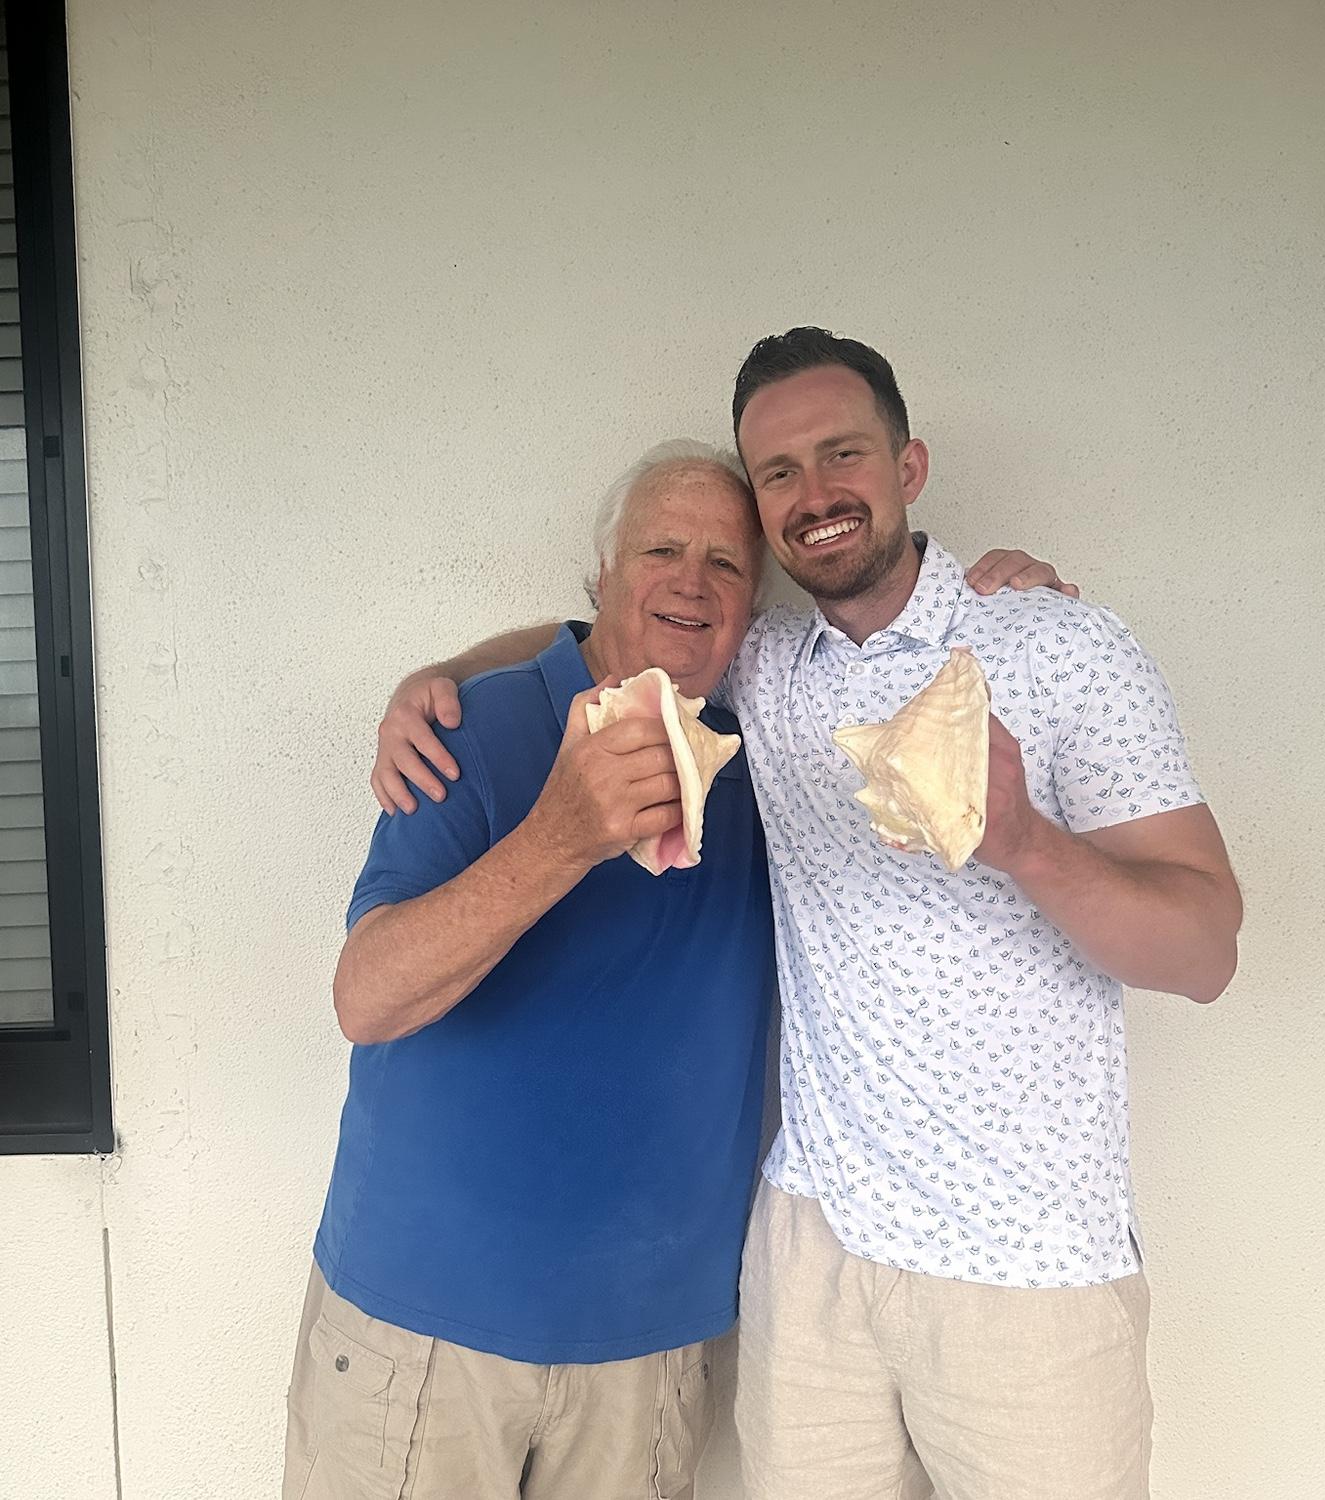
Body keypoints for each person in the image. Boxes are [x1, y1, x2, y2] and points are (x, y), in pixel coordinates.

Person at [375, 330, 1240, 1500]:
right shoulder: (762, 661)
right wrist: (434, 677)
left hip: (1028, 1270)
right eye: (779, 472)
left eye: (843, 456)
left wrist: (1028, 843)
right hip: (812, 1258)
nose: (815, 494)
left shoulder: (1061, 649)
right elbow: (619, 627)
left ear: (910, 465)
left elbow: (1204, 951)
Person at [291, 435, 1065, 1500]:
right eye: (662, 549)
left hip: (654, 1351)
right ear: (602, 575)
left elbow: (930, 693)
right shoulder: (474, 730)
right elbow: (365, 998)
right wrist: (560, 833)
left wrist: (1013, 612)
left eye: (727, 564)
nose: (692, 584)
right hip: (422, 1327)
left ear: (755, 612)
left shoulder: (779, 751)